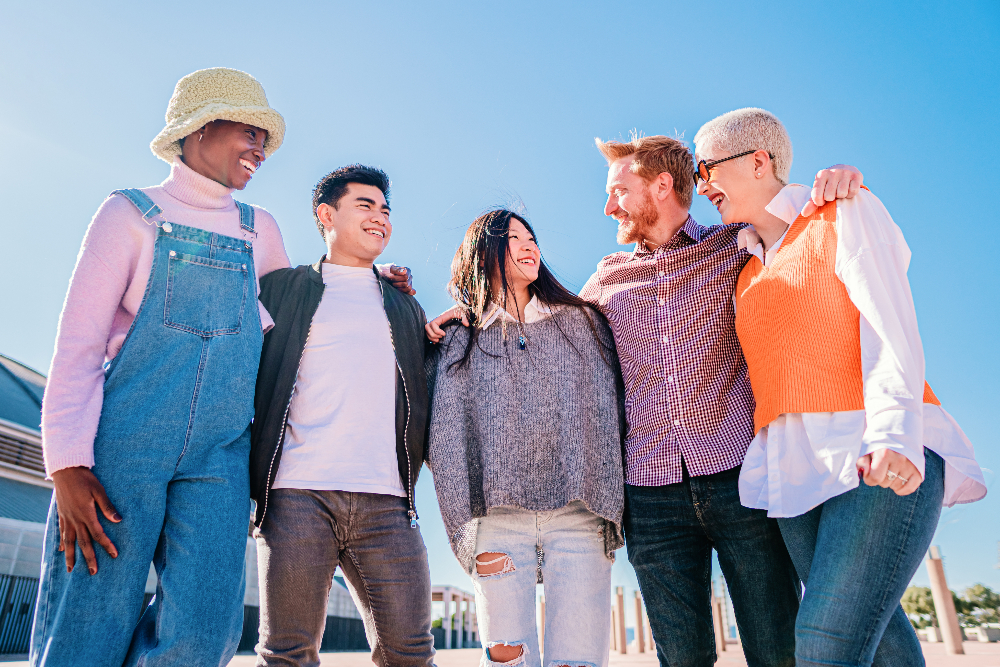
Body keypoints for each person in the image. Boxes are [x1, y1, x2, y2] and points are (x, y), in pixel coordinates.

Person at [428, 139, 864, 667]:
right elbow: (533, 321)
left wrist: (832, 182)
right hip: (650, 496)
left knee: (776, 644)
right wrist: (467, 308)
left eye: (618, 191)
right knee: (681, 657)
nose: (609, 206)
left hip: (738, 478)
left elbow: (800, 229)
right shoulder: (604, 282)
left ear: (661, 185)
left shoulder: (735, 246)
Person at [693, 107, 986, 667]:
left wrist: (895, 435)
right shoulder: (745, 267)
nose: (702, 186)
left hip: (871, 452)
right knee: (882, 646)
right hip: (795, 475)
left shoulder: (845, 210)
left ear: (759, 162)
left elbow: (888, 325)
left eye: (707, 169)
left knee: (825, 641)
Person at [31, 67, 289, 667]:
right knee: (88, 620)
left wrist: (374, 282)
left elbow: (296, 318)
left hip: (221, 457)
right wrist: (66, 464)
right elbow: (79, 346)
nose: (259, 149)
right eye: (248, 132)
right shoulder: (130, 214)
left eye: (265, 139)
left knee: (205, 632)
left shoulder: (261, 231)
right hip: (121, 447)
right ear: (198, 128)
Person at [250, 165, 433, 667]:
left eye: (386, 210)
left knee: (411, 652)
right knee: (288, 653)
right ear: (326, 215)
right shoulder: (279, 290)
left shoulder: (403, 305)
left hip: (389, 504)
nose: (380, 218)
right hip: (296, 497)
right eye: (365, 206)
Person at [425, 208, 625, 667]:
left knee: (579, 660)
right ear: (483, 252)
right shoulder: (457, 338)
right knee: (507, 661)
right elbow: (436, 425)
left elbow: (611, 408)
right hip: (495, 519)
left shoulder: (582, 322)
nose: (529, 244)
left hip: (580, 513)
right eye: (513, 237)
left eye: (531, 237)